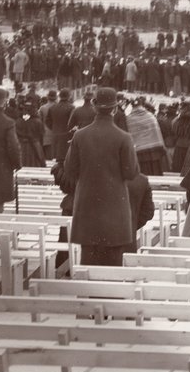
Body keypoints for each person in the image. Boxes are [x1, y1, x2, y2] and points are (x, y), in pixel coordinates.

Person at [59, 88, 141, 265]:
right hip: (115, 207)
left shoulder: (80, 136)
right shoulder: (124, 137)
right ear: (115, 109)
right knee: (113, 262)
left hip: (87, 205)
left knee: (88, 259)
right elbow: (131, 173)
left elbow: (70, 170)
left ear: (95, 106)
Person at [125, 98, 168, 176]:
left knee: (142, 176)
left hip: (139, 154)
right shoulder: (150, 116)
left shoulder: (128, 119)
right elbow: (156, 133)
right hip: (153, 154)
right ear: (142, 105)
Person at [15, 98, 47, 167]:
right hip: (35, 149)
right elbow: (41, 135)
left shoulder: (18, 121)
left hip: (22, 148)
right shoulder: (38, 122)